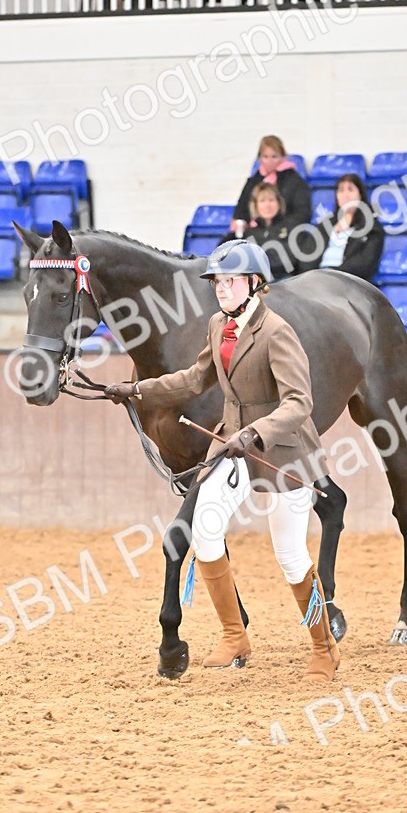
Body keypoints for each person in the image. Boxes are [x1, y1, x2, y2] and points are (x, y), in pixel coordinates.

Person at [104, 240, 340, 681]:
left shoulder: (277, 332)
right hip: (231, 445)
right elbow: (194, 380)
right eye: (217, 282)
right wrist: (135, 390)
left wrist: (257, 432)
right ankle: (235, 636)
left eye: (229, 281)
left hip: (283, 451)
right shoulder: (217, 325)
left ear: (253, 283)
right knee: (205, 529)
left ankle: (323, 648)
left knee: (289, 554)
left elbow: (298, 402)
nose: (220, 289)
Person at [301, 172, 384, 282]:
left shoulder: (372, 227)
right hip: (318, 281)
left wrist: (334, 274)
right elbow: (307, 257)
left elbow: (366, 263)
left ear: (360, 195)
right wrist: (314, 276)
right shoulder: (325, 225)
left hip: (349, 283)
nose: (345, 195)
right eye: (341, 190)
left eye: (350, 190)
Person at [231, 135, 310, 236]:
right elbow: (242, 206)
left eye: (274, 157)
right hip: (255, 231)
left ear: (283, 157)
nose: (270, 162)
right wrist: (240, 222)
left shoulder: (295, 180)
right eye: (265, 157)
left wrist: (282, 228)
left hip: (284, 232)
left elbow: (302, 212)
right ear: (259, 158)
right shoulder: (254, 180)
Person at [239, 182, 300, 281]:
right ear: (255, 205)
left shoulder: (292, 227)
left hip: (287, 281)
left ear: (279, 203)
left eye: (271, 200)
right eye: (262, 201)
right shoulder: (249, 233)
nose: (267, 205)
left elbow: (291, 261)